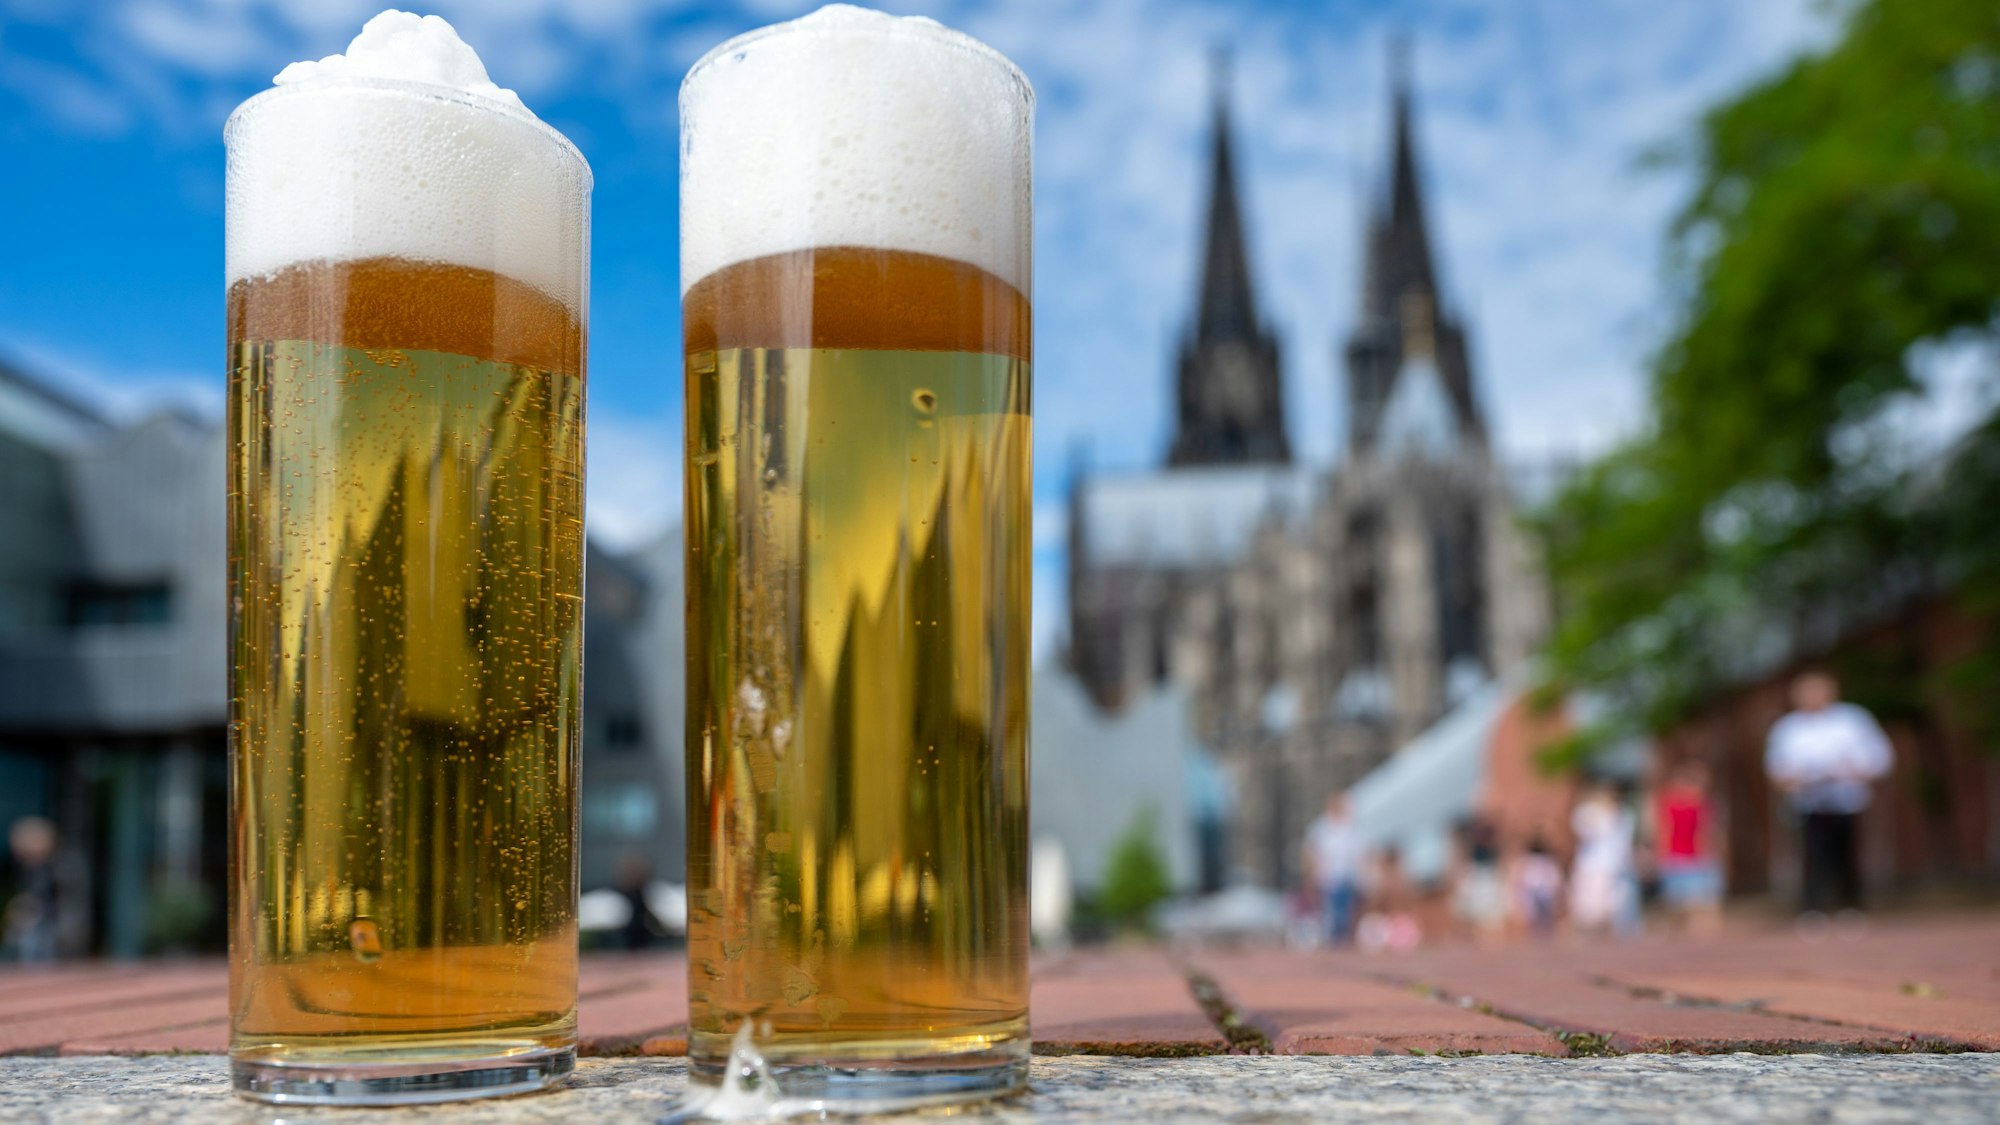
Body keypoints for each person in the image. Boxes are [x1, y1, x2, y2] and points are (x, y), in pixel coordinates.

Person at [1765, 670, 1892, 921]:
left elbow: (1880, 757)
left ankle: (1851, 906)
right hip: (1808, 801)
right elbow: (1775, 768)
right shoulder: (1788, 728)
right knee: (1813, 854)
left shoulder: (1853, 720)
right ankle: (1813, 907)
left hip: (1847, 799)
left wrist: (1858, 771)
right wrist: (1792, 779)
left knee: (1848, 852)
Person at [1654, 759, 1724, 936]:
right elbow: (1665, 830)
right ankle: (1683, 934)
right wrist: (1662, 853)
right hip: (1680, 856)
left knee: (1701, 902)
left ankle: (1700, 935)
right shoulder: (1672, 804)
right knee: (1679, 903)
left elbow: (1708, 831)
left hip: (1697, 856)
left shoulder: (1701, 804)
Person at [1569, 781, 1637, 938]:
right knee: (1591, 900)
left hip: (1614, 865)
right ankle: (1590, 928)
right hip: (1592, 864)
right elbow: (1584, 832)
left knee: (1612, 900)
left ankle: (1608, 928)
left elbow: (1624, 840)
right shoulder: (1588, 813)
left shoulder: (1623, 815)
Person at [1303, 792, 1363, 945]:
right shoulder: (1323, 828)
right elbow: (1313, 851)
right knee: (1329, 913)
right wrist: (1312, 872)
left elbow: (1357, 853)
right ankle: (1331, 941)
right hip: (1327, 876)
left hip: (1345, 876)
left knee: (1344, 912)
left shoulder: (1348, 828)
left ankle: (1342, 939)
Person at [5, 816, 59, 963]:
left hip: (39, 917)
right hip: (33, 917)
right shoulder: (24, 868)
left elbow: (38, 895)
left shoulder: (43, 869)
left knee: (37, 951)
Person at [1450, 816, 1507, 943]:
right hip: (1478, 875)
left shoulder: (1487, 847)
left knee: (1485, 910)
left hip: (1486, 875)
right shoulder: (1475, 847)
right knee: (1475, 909)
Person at [1509, 833, 1563, 938]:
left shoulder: (1527, 861)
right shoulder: (1546, 861)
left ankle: (1538, 934)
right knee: (1539, 916)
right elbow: (1555, 879)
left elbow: (1518, 878)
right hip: (1538, 891)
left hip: (1538, 890)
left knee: (1537, 915)